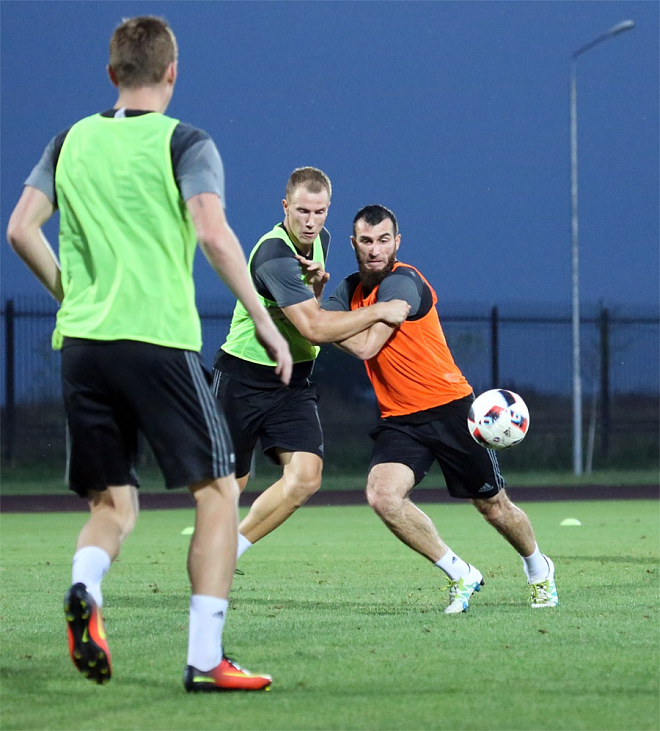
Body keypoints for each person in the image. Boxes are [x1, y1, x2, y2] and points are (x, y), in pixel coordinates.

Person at [6, 16, 293, 692]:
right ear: (171, 72)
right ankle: (204, 658)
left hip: (83, 346)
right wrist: (264, 318)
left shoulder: (69, 140)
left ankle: (86, 588)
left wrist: (71, 293)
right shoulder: (185, 141)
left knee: (113, 506)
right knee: (219, 492)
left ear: (111, 74)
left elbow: (19, 229)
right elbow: (213, 233)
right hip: (157, 341)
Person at [320, 204, 558, 612]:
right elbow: (317, 325)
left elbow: (364, 346)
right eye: (366, 241)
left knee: (493, 508)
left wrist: (324, 327)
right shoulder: (348, 289)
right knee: (383, 496)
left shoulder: (404, 282)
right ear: (353, 243)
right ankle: (461, 573)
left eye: (383, 240)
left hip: (451, 410)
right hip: (399, 419)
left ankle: (539, 570)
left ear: (397, 242)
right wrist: (317, 315)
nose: (375, 249)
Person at [213, 168, 409, 561]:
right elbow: (314, 327)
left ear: (328, 210)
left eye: (319, 212)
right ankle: (209, 557)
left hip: (293, 382)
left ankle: (228, 551)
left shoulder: (322, 240)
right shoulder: (274, 255)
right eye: (302, 211)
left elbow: (309, 310)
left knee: (305, 477)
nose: (311, 221)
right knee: (228, 489)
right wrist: (379, 311)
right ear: (285, 206)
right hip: (243, 377)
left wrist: (317, 288)